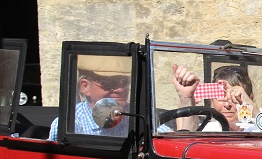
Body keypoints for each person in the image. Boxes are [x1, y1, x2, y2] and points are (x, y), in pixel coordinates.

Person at [48, 55, 199, 140]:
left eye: (124, 82)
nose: (120, 89)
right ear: (85, 87)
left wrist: (185, 96)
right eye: (108, 83)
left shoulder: (138, 118)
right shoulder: (70, 124)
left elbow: (179, 143)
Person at [202, 65, 262, 132]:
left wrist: (251, 105)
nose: (227, 105)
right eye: (221, 96)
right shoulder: (206, 130)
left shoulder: (256, 130)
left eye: (235, 97)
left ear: (250, 98)